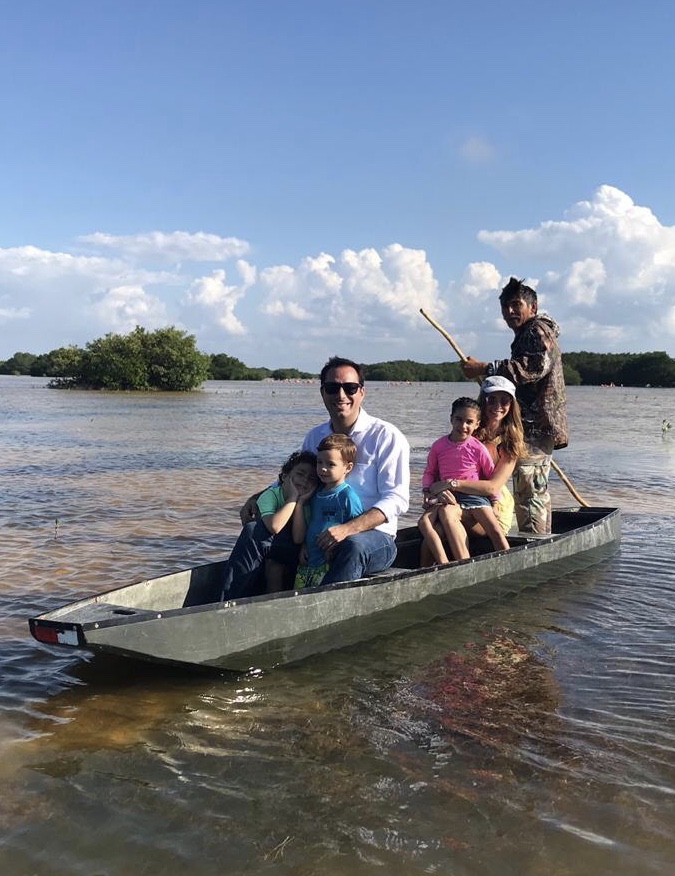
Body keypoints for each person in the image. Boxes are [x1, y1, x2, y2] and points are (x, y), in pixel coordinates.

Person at [234, 355, 410, 592]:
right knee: (255, 530)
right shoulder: (315, 437)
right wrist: (257, 498)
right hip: (315, 535)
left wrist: (348, 529)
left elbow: (396, 499)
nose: (341, 395)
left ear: (361, 393)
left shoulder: (386, 436)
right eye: (332, 388)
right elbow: (297, 479)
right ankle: (227, 604)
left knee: (352, 545)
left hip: (373, 538)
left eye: (350, 388)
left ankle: (317, 609)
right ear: (322, 392)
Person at [462, 277, 568, 533]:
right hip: (529, 427)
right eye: (505, 307)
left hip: (536, 427)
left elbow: (534, 367)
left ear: (532, 307)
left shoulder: (536, 331)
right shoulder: (527, 333)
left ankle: (536, 546)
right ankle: (527, 538)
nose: (510, 312)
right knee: (527, 491)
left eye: (516, 305)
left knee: (531, 493)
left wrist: (485, 368)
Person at [418, 397, 510, 565]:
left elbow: (489, 476)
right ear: (451, 418)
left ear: (477, 424)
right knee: (445, 520)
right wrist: (426, 490)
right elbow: (430, 472)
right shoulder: (439, 446)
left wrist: (495, 502)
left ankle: (510, 561)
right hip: (452, 498)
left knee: (495, 530)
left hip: (476, 497)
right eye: (459, 420)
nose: (463, 426)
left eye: (469, 422)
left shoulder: (477, 447)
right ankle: (462, 564)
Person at [433, 375, 525, 536]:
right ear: (483, 400)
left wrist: (451, 484)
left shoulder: (511, 441)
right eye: (492, 399)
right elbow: (441, 468)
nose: (498, 406)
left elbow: (492, 487)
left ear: (511, 405)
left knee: (444, 524)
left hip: (493, 506)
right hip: (460, 499)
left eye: (504, 401)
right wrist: (438, 490)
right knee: (436, 528)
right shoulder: (466, 430)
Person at [221, 450, 318, 599]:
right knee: (272, 564)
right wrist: (292, 498)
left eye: (311, 478)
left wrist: (299, 504)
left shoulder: (308, 504)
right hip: (272, 546)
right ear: (284, 477)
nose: (305, 481)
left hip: (296, 551)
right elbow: (275, 526)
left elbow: (298, 538)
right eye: (300, 474)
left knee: (275, 566)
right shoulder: (270, 495)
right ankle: (229, 598)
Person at [292, 434, 364, 589]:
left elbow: (356, 529)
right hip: (307, 563)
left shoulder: (347, 496)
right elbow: (310, 522)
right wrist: (304, 545)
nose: (322, 468)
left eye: (330, 464)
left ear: (348, 467)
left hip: (329, 565)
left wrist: (338, 550)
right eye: (319, 462)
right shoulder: (315, 493)